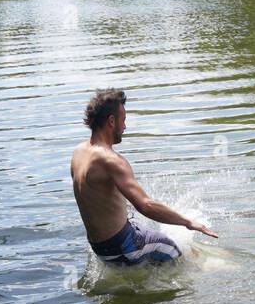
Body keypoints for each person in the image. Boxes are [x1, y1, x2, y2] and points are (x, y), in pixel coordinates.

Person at [70, 88, 217, 266]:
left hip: (100, 248)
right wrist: (189, 222)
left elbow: (99, 198)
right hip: (123, 246)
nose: (124, 127)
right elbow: (146, 206)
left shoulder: (79, 153)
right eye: (123, 120)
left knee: (133, 216)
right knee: (177, 254)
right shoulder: (111, 160)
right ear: (111, 121)